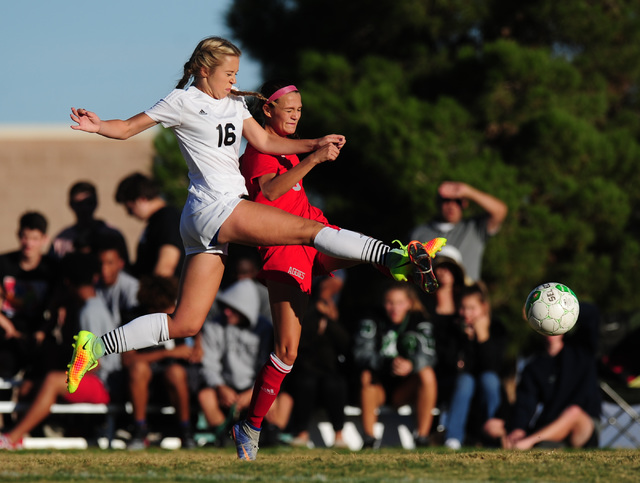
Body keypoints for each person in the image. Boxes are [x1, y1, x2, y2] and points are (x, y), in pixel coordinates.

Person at [65, 36, 442, 458]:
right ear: (204, 70)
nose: (234, 81)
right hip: (215, 207)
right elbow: (130, 127)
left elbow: (266, 143)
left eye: (237, 75)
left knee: (186, 322)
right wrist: (99, 127)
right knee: (305, 229)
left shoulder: (235, 105)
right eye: (228, 74)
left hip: (203, 221)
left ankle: (94, 346)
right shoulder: (182, 101)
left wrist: (314, 145)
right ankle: (391, 256)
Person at [233, 79, 446, 459]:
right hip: (283, 250)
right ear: (268, 110)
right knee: (286, 352)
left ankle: (401, 259)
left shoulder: (287, 148)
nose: (297, 116)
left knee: (361, 250)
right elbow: (268, 195)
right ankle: (250, 426)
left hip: (310, 233)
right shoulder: (258, 151)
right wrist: (314, 157)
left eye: (300, 110)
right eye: (290, 110)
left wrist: (314, 150)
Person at [0, 252, 120, 450]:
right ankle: (29, 434)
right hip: (101, 381)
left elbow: (95, 363)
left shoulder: (89, 311)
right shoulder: (93, 306)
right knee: (30, 386)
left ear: (66, 282)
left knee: (53, 381)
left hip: (105, 385)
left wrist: (64, 373)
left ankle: (12, 438)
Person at [353, 282, 438, 449]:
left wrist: (411, 364)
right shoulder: (372, 319)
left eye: (400, 303)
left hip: (405, 388)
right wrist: (386, 363)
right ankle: (369, 438)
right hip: (379, 387)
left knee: (427, 374)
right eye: (389, 302)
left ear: (409, 303)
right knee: (366, 376)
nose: (394, 308)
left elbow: (430, 355)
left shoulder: (419, 321)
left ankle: (422, 437)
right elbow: (360, 353)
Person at [120, 275, 196, 449]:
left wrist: (196, 350)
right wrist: (168, 353)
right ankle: (140, 430)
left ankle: (186, 432)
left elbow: (198, 347)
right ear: (151, 308)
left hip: (177, 380)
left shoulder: (181, 314)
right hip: (144, 383)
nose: (170, 309)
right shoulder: (134, 318)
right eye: (164, 308)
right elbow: (127, 359)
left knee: (175, 372)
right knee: (139, 368)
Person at [197, 279, 272, 442]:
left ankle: (272, 435)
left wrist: (253, 392)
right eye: (225, 307)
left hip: (254, 388)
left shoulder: (265, 329)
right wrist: (220, 387)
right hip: (224, 388)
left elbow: (267, 365)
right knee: (205, 396)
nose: (226, 312)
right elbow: (208, 363)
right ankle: (222, 437)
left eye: (233, 308)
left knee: (276, 397)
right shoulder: (213, 326)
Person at [285, 277, 351, 449]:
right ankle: (302, 434)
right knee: (305, 383)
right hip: (306, 368)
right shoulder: (306, 308)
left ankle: (339, 436)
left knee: (335, 385)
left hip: (331, 370)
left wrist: (331, 322)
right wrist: (317, 321)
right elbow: (299, 340)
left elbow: (346, 344)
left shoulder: (342, 308)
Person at [443, 282, 507, 450]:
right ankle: (453, 438)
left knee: (489, 379)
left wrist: (483, 337)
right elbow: (453, 364)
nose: (466, 314)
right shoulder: (454, 330)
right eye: (463, 308)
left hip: (488, 388)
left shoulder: (497, 329)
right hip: (459, 388)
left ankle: (494, 434)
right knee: (465, 381)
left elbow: (493, 366)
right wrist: (467, 342)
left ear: (484, 307)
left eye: (472, 308)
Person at [410, 181, 508, 282]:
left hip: (467, 296)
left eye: (457, 201)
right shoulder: (418, 234)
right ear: (438, 202)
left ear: (464, 204)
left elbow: (500, 211)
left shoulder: (474, 227)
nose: (451, 205)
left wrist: (468, 191)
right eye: (446, 200)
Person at [0, 212, 57, 381]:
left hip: (38, 335)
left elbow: (56, 306)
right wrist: (8, 328)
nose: (29, 244)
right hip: (6, 333)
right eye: (25, 237)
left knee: (46, 367)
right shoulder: (4, 263)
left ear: (44, 239)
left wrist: (42, 331)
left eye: (35, 238)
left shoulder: (51, 269)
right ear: (19, 235)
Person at [115, 173, 184, 279]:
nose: (129, 214)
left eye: (130, 208)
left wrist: (154, 292)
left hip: (164, 292)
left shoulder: (167, 218)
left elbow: (166, 265)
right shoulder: (156, 221)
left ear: (142, 199)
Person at [49, 181, 129, 264]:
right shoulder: (62, 239)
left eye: (89, 203)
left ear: (96, 203)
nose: (84, 208)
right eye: (79, 204)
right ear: (71, 205)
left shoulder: (113, 235)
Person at [95, 235, 140, 327]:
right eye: (100, 264)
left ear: (121, 263)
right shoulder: (94, 286)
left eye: (110, 263)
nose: (104, 269)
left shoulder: (132, 287)